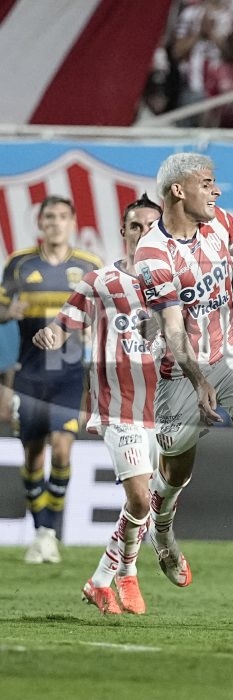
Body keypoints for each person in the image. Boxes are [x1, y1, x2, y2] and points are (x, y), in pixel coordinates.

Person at [134, 152, 233, 587]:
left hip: (229, 352)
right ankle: (161, 530)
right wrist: (199, 380)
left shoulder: (217, 220)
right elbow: (171, 329)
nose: (216, 190)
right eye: (206, 183)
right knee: (176, 474)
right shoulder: (152, 253)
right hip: (181, 373)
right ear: (178, 190)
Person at [33, 194, 163, 615]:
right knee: (139, 499)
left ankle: (100, 580)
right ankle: (128, 573)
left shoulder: (175, 284)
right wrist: (52, 335)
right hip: (118, 404)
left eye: (152, 227)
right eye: (136, 226)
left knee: (150, 503)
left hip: (164, 408)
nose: (143, 233)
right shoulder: (100, 280)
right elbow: (64, 324)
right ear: (123, 231)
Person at [0, 196, 103, 564]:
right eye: (49, 217)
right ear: (40, 223)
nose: (55, 223)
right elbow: (1, 306)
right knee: (33, 456)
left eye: (62, 217)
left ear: (72, 223)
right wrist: (8, 311)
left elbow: (103, 312)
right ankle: (42, 531)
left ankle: (48, 531)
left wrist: (92, 328)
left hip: (69, 373)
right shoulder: (19, 264)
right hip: (30, 374)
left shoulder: (89, 266)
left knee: (62, 448)